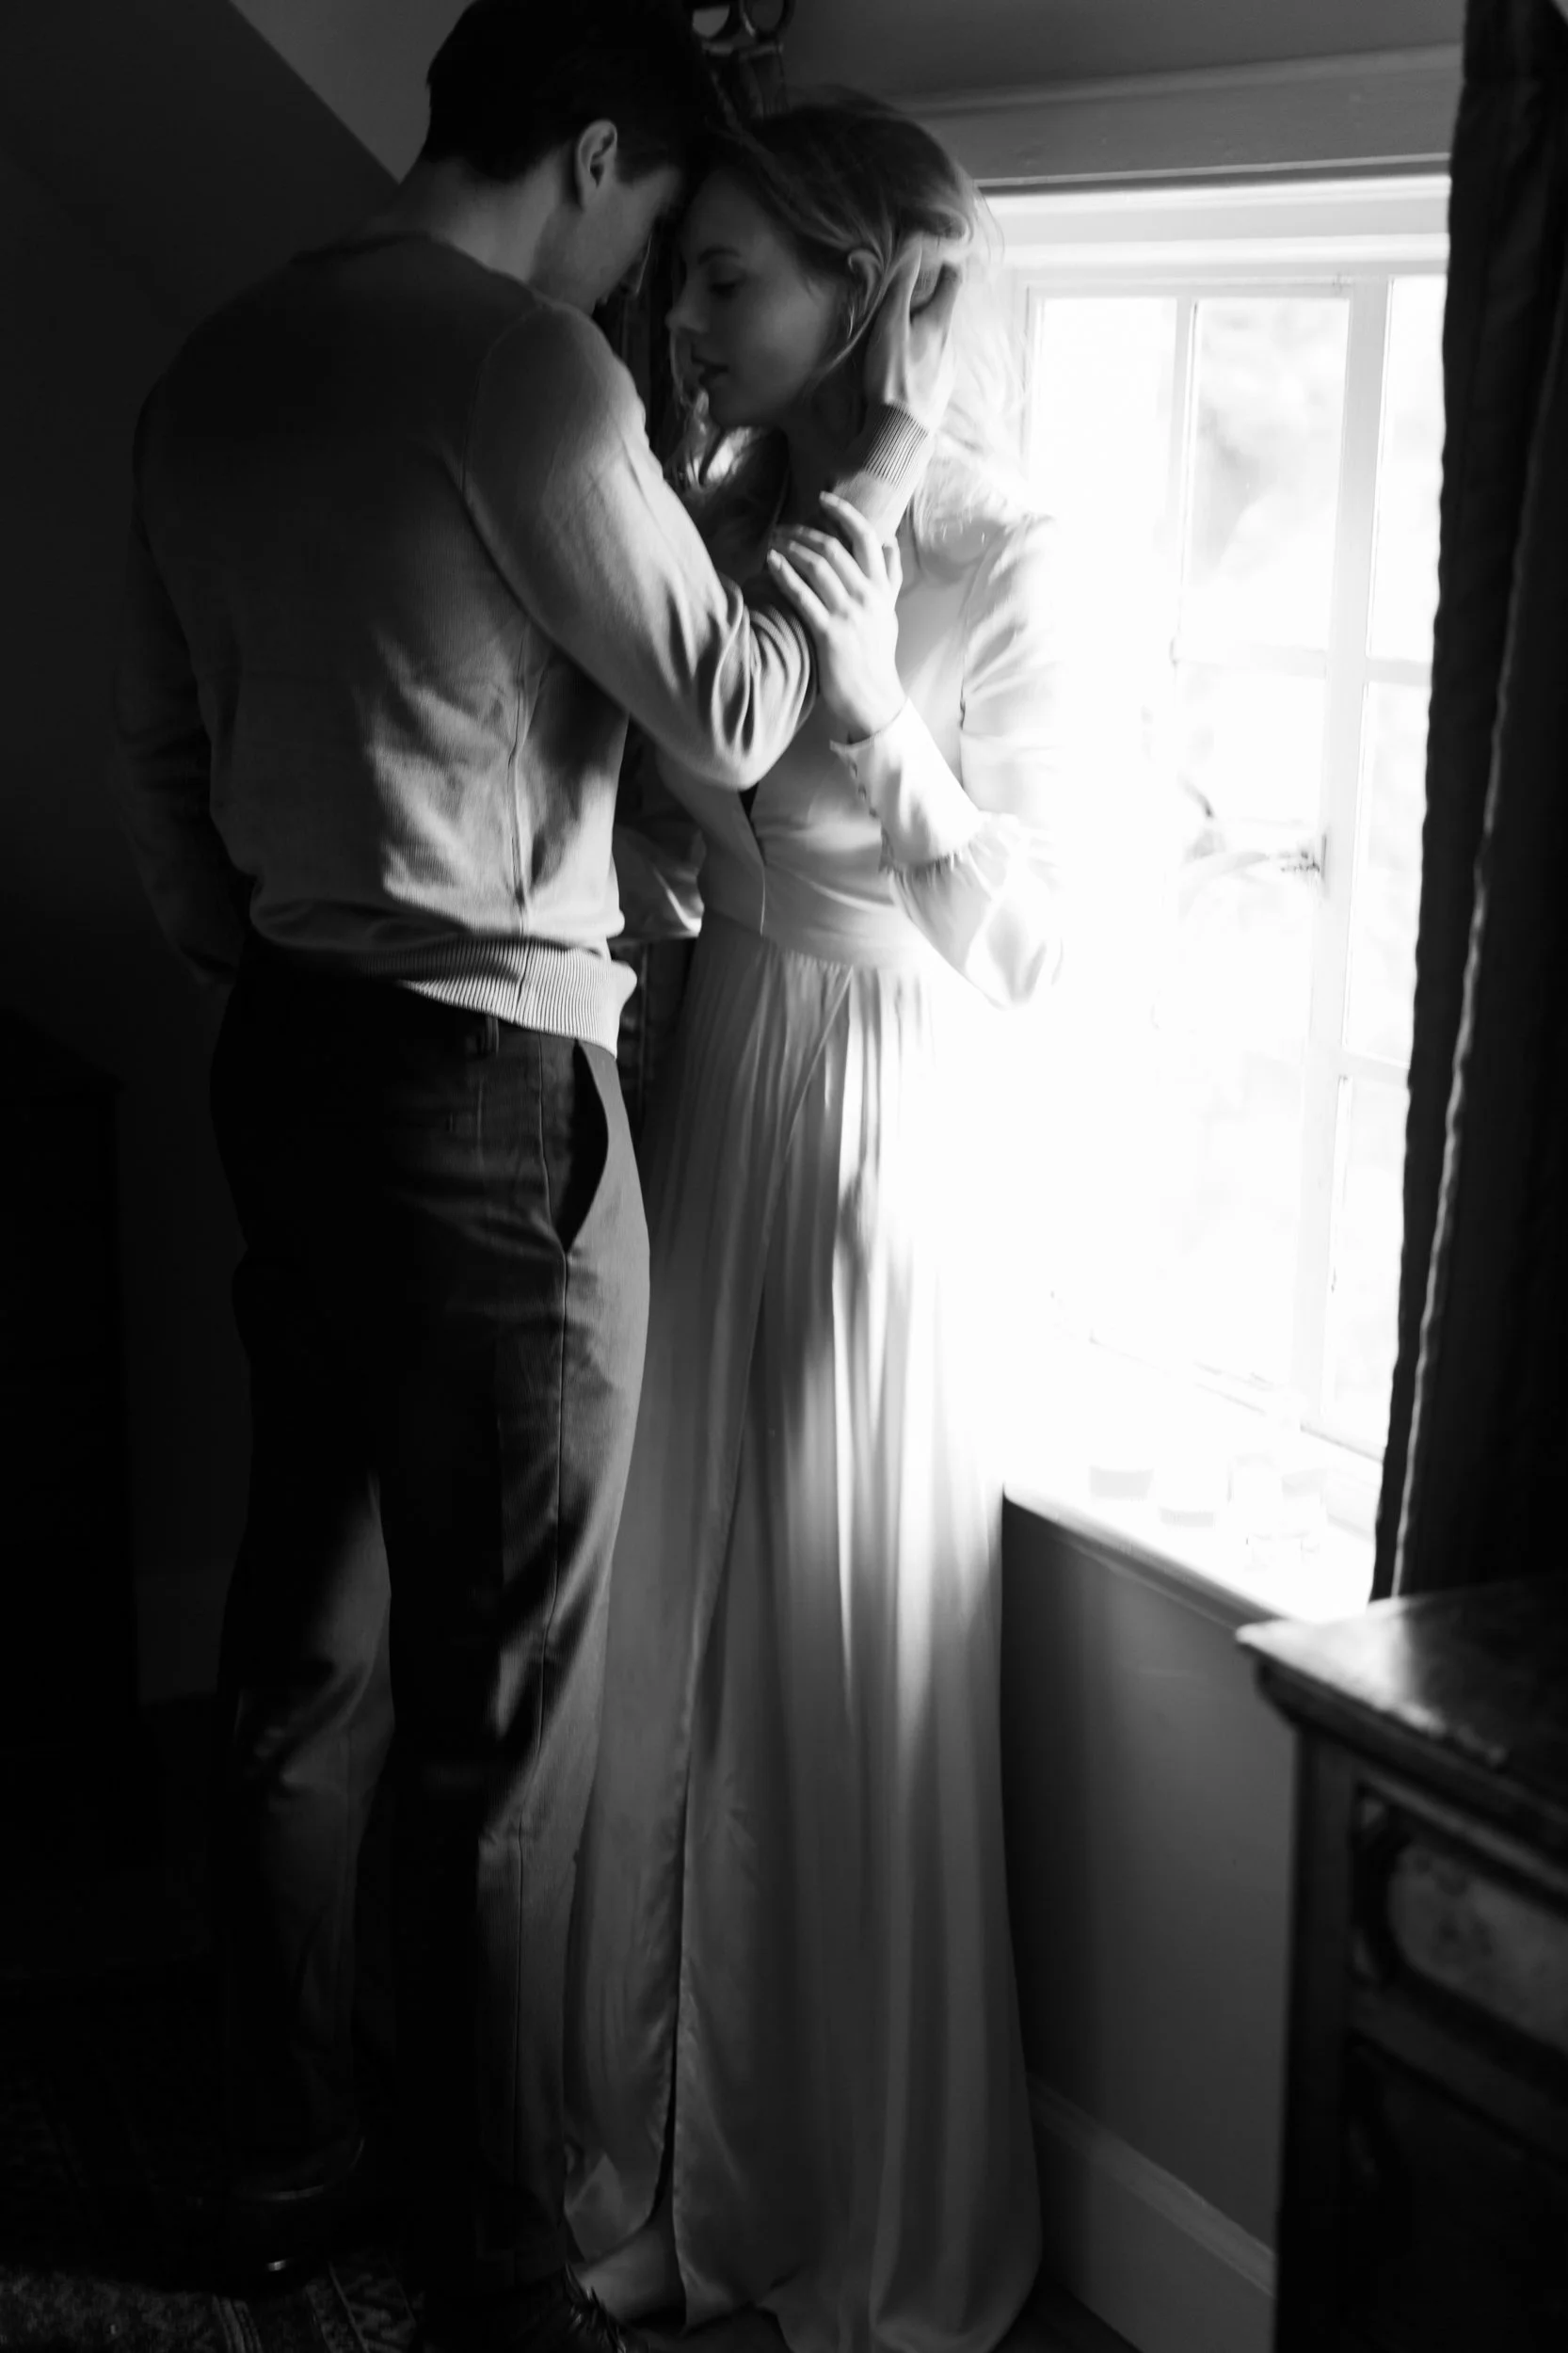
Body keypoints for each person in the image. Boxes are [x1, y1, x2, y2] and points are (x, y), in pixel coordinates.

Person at [106, 2, 957, 2345]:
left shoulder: (213, 369)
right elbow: (735, 718)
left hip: (282, 1046)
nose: (654, 284)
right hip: (486, 1085)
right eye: (662, 227)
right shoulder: (517, 374)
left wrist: (275, 964)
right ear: (596, 152)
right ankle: (498, 2247)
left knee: (300, 1656)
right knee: (505, 1711)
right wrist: (861, 484)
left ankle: (284, 2157)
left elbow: (157, 762)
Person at [566, 93, 1060, 2353]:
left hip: (874, 1112)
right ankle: (668, 2165)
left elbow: (1031, 943)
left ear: (865, 294)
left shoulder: (994, 549)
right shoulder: (710, 504)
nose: (684, 309)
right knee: (666, 1625)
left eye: (729, 275)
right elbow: (680, 824)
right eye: (685, 271)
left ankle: (847, 2197)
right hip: (711, 1082)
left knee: (827, 1648)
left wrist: (887, 724)